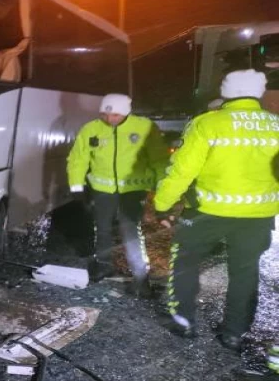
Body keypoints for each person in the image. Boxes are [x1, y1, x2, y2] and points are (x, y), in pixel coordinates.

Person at [154, 69, 279, 351]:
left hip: (206, 212)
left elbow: (180, 171)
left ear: (226, 91)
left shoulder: (208, 124)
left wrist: (162, 206)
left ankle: (183, 320)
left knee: (185, 262)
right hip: (258, 216)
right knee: (245, 272)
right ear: (259, 92)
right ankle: (234, 332)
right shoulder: (276, 125)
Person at [67, 93, 169, 295]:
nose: (110, 119)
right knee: (102, 229)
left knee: (131, 231)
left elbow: (159, 159)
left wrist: (163, 187)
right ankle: (103, 265)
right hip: (102, 190)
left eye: (115, 115)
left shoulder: (144, 127)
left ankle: (140, 276)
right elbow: (78, 158)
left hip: (132, 191)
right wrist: (76, 186)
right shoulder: (91, 129)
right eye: (105, 114)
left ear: (126, 112)